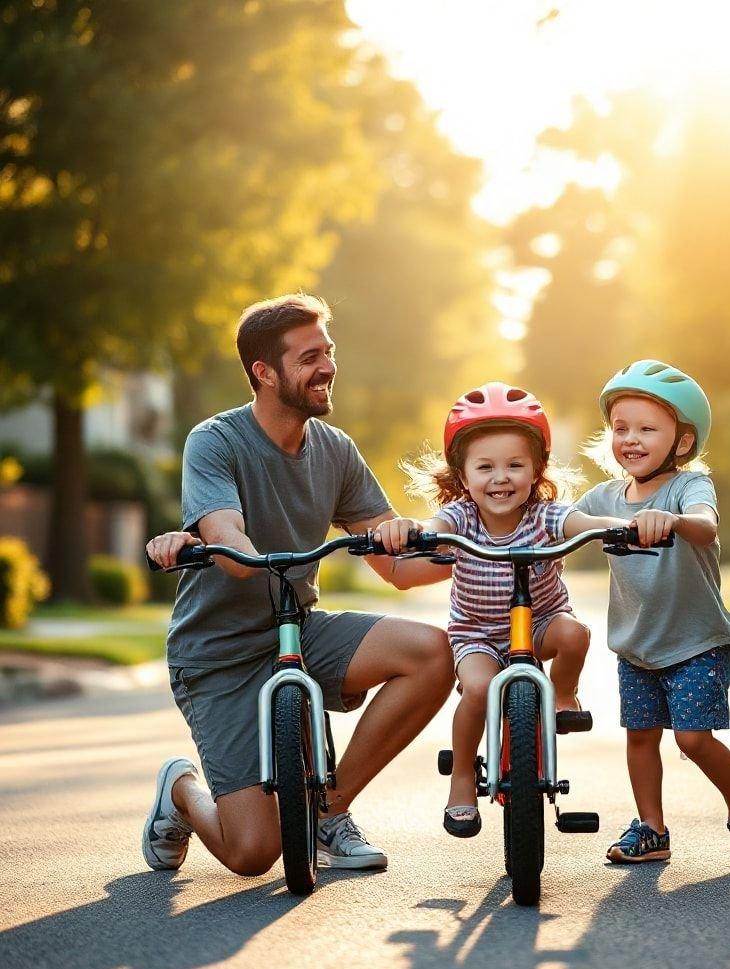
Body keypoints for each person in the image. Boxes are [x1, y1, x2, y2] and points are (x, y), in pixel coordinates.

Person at [143, 293, 453, 877]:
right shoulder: (215, 441)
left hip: (297, 628)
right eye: (310, 357)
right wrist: (231, 551)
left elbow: (398, 567)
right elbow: (228, 540)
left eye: (328, 352)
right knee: (253, 854)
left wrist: (476, 552)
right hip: (219, 653)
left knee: (432, 652)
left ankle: (330, 812)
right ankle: (181, 790)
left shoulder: (335, 450)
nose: (328, 367)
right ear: (264, 372)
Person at [383, 382, 623, 838]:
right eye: (485, 466)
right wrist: (408, 531)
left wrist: (629, 527)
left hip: (541, 624)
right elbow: (431, 526)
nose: (501, 478)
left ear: (536, 469)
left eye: (515, 465)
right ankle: (461, 781)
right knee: (476, 691)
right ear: (463, 474)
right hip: (478, 635)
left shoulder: (545, 515)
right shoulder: (459, 518)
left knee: (577, 635)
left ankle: (563, 695)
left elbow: (586, 524)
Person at [574, 359, 730, 865]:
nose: (631, 438)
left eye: (647, 428)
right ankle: (651, 829)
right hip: (637, 645)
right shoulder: (605, 496)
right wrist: (584, 523)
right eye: (621, 428)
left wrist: (669, 520)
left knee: (692, 738)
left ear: (682, 442)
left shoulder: (689, 487)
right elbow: (564, 520)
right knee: (641, 738)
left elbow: (705, 525)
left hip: (696, 642)